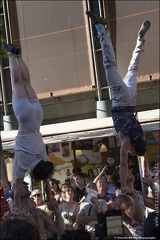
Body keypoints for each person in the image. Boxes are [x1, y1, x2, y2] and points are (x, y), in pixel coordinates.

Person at [86, 11, 150, 194]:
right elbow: (122, 164)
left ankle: (140, 41)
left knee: (133, 68)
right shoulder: (126, 142)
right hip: (120, 100)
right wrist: (123, 188)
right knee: (109, 65)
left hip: (131, 100)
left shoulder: (141, 138)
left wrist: (145, 170)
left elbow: (143, 155)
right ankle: (101, 29)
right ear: (132, 151)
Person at [2, 43, 54, 215]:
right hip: (24, 118)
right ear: (32, 173)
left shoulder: (43, 159)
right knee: (17, 82)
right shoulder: (23, 164)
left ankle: (18, 56)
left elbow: (47, 179)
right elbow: (16, 188)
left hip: (38, 117)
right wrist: (16, 206)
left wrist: (50, 196)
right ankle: (11, 54)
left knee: (26, 82)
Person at [111, 167, 155, 237]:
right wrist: (134, 196)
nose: (128, 171)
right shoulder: (121, 198)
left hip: (145, 233)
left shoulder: (139, 194)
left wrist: (152, 185)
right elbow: (139, 218)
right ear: (119, 180)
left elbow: (157, 205)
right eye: (124, 171)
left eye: (128, 170)